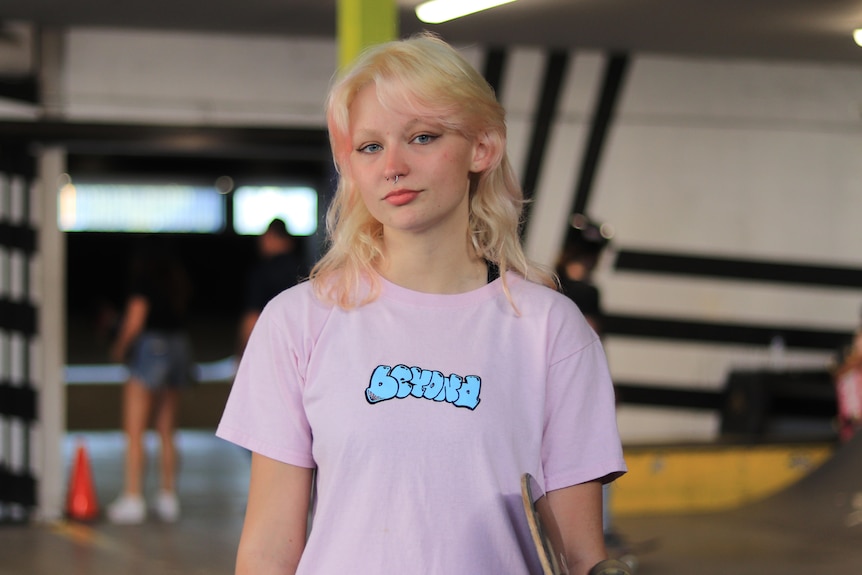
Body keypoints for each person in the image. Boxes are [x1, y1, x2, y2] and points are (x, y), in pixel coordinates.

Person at [217, 33, 627, 575]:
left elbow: (578, 556)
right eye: (370, 147)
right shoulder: (298, 322)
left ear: (482, 147)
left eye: (422, 137)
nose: (393, 165)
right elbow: (268, 548)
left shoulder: (551, 331)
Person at [106, 237, 196, 524]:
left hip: (151, 349)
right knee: (167, 428)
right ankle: (168, 497)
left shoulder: (143, 281)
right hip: (179, 347)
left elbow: (135, 321)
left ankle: (133, 497)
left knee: (135, 429)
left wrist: (119, 347)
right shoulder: (178, 281)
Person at [555, 215, 623, 551]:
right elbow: (588, 343)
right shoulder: (571, 290)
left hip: (568, 386)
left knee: (583, 456)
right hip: (570, 386)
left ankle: (591, 529)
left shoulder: (553, 284)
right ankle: (595, 530)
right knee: (590, 456)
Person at [236, 218, 307, 357]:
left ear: (272, 236)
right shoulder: (307, 272)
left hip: (269, 350)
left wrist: (242, 355)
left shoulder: (262, 273)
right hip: (302, 348)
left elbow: (252, 318)